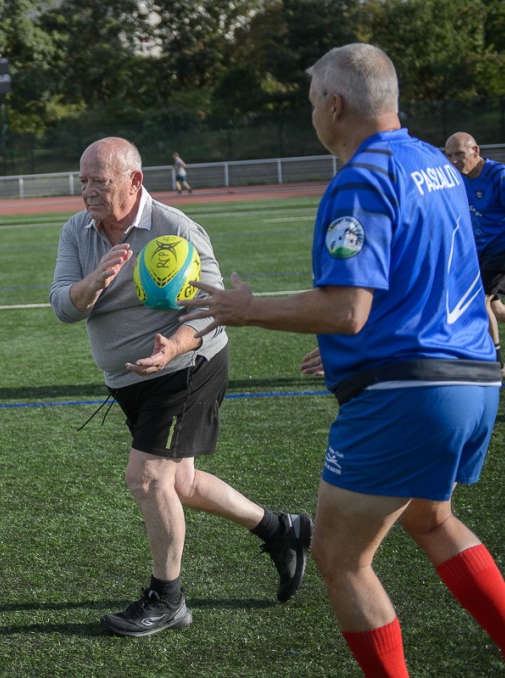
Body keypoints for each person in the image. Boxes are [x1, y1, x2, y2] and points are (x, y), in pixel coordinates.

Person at [183, 44, 505, 676]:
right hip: (473, 379)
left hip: (408, 393)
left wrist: (244, 309)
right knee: (431, 520)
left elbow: (346, 310)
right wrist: (358, 351)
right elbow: (433, 277)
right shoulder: (435, 165)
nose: (311, 115)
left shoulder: (361, 177)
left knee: (340, 558)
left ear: (334, 105)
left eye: (311, 103)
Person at [50, 136, 312, 638]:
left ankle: (167, 599)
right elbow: (63, 305)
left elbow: (213, 308)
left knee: (147, 479)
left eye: (99, 181)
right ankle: (283, 530)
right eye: (82, 181)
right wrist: (93, 283)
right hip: (129, 379)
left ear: (134, 180)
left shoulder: (175, 228)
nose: (87, 191)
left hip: (187, 366)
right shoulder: (76, 230)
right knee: (182, 485)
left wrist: (173, 346)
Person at [444, 132, 505, 372]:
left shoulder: (498, 176)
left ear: (475, 151)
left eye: (459, 154)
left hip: (500, 249)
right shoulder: (458, 179)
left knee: (480, 301)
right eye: (449, 155)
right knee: (497, 309)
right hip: (479, 251)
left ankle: (496, 364)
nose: (454, 161)